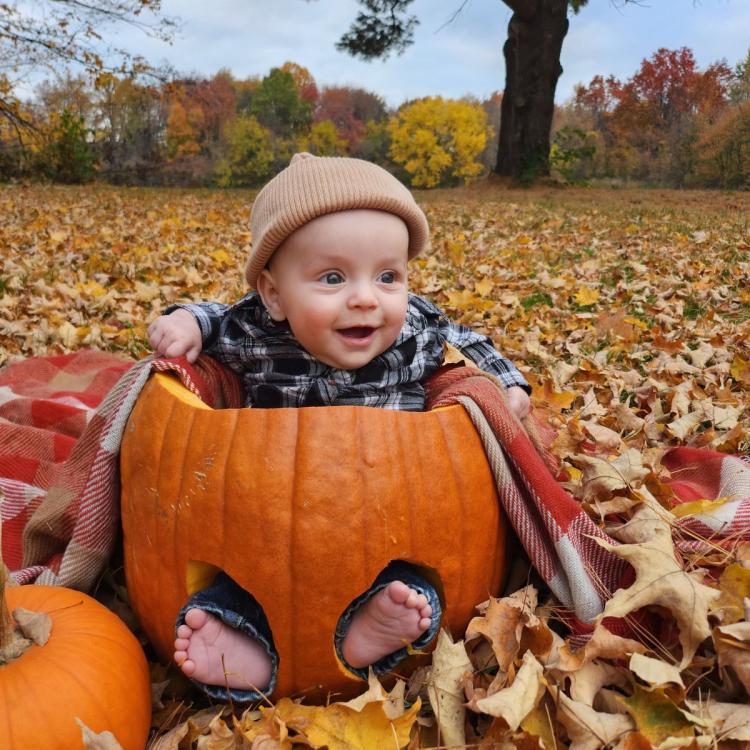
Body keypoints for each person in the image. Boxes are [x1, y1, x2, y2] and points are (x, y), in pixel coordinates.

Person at [148, 153, 531, 702]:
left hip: (390, 506)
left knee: (412, 586)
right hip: (269, 506)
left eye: (388, 276)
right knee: (241, 578)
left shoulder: (414, 328)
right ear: (274, 295)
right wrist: (184, 321)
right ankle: (242, 637)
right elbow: (213, 318)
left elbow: (470, 341)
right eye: (332, 277)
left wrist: (508, 385)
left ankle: (365, 631)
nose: (365, 297)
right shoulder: (256, 332)